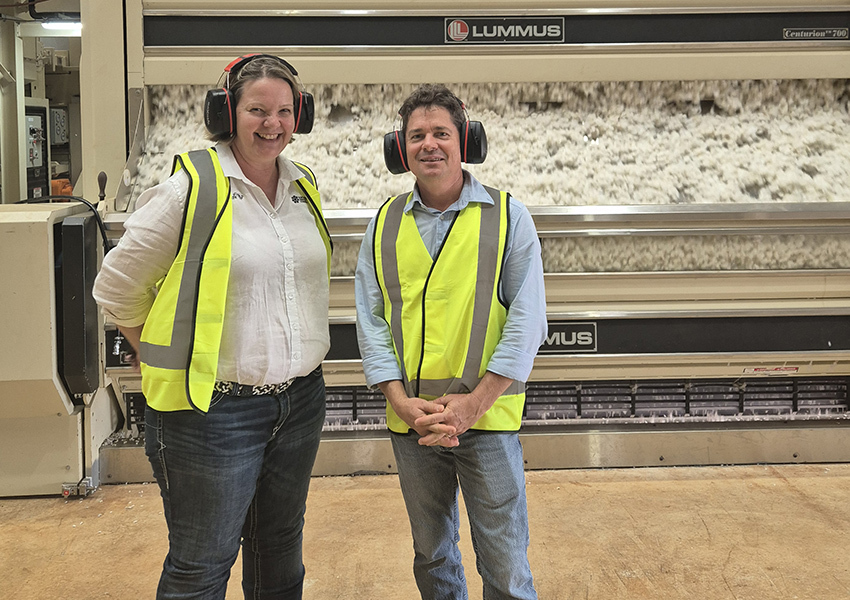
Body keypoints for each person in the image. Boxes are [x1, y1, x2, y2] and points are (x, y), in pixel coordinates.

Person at [93, 54, 332, 599]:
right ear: (226, 112)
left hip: (298, 403)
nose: (272, 124)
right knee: (202, 565)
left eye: (284, 111)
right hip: (211, 413)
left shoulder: (303, 185)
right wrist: (151, 352)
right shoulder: (191, 188)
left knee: (279, 551)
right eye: (256, 110)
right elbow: (116, 286)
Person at [354, 84, 547, 600]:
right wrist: (400, 401)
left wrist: (474, 404)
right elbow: (371, 322)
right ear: (401, 149)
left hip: (485, 421)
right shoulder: (382, 224)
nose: (429, 144)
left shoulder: (508, 217)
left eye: (442, 132)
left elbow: (528, 321)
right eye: (416, 135)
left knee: (504, 563)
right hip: (412, 422)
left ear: (467, 141)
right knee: (433, 555)